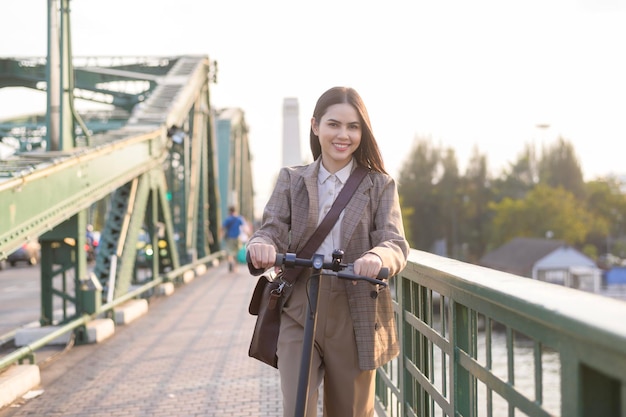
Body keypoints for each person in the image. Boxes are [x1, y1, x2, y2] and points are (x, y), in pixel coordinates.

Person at [246, 86, 409, 417]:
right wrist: (261, 244)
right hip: (298, 305)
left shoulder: (379, 185)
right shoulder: (292, 180)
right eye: (334, 124)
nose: (343, 135)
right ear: (315, 125)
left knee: (350, 411)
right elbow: (272, 228)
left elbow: (394, 241)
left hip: (355, 309)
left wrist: (376, 258)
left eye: (353, 127)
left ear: (363, 132)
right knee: (296, 408)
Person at [222, 206, 245, 272]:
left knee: (229, 252)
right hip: (237, 238)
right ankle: (236, 267)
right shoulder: (239, 218)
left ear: (229, 211)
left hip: (230, 238)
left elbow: (223, 227)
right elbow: (244, 227)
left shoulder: (228, 219)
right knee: (237, 252)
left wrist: (221, 235)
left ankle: (230, 262)